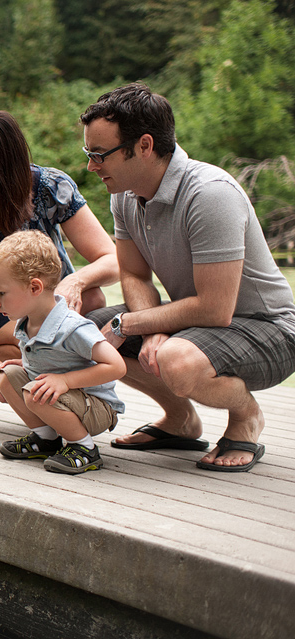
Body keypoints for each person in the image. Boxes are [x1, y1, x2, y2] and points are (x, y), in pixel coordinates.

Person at [80, 82, 295, 472]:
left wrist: (132, 323)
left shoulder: (210, 194)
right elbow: (132, 272)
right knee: (86, 335)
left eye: (100, 155)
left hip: (270, 330)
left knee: (176, 361)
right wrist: (150, 330)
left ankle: (246, 416)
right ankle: (180, 419)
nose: (91, 166)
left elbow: (216, 308)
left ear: (144, 145)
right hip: (200, 323)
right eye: (88, 153)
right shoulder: (124, 193)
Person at [0, 110, 118, 429]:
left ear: (10, 171)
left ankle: (66, 400)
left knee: (93, 299)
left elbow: (112, 260)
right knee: (32, 338)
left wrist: (77, 281)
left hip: (42, 301)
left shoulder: (50, 188)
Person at [0, 231, 126, 475]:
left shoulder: (72, 327)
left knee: (33, 392)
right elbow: (56, 362)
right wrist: (26, 363)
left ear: (34, 287)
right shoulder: (27, 323)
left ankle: (84, 449)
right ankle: (46, 439)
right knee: (7, 375)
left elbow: (116, 366)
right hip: (67, 401)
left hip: (96, 408)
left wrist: (64, 380)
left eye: (1, 293)